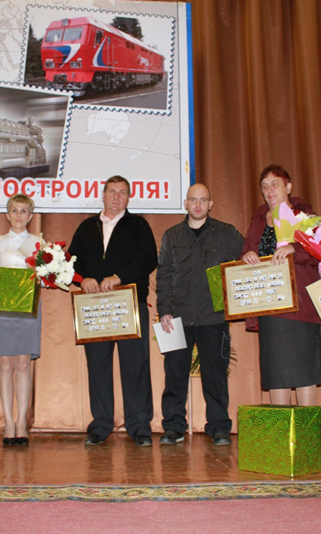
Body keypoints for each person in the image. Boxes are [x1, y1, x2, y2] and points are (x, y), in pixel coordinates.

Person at [68, 176, 158, 446]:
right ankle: (100, 425)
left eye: (122, 193)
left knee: (135, 366)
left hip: (130, 303)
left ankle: (139, 426)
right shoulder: (87, 227)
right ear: (103, 195)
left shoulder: (138, 225)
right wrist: (82, 279)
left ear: (128, 198)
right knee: (97, 366)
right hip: (94, 307)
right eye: (112, 192)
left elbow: (149, 258)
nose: (116, 197)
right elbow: (70, 262)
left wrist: (119, 277)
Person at [156, 184, 244, 446]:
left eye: (203, 200)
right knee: (174, 377)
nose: (197, 205)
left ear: (210, 204)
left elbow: (246, 259)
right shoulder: (171, 236)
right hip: (176, 319)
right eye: (193, 200)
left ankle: (218, 427)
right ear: (185, 203)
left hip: (213, 318)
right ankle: (173, 427)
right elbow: (163, 276)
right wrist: (165, 311)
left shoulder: (227, 234)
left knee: (215, 377)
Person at [241, 164, 321, 406]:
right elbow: (245, 252)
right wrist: (246, 256)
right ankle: (281, 428)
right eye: (264, 186)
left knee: (304, 370)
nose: (269, 190)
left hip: (300, 306)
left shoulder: (304, 217)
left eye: (274, 184)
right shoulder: (258, 220)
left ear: (288, 187)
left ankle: (304, 429)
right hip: (269, 307)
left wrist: (294, 249)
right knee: (276, 372)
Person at [0, 194, 41, 447]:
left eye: (23, 211)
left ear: (30, 216)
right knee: (5, 365)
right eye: (14, 211)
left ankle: (21, 422)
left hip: (26, 309)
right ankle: (8, 422)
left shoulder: (38, 243)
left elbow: (45, 275)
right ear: (7, 215)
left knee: (23, 365)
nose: (19, 215)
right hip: (1, 308)